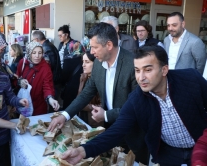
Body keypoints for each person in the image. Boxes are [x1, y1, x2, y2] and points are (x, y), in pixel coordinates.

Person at [61, 45, 207, 165]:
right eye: (137, 70)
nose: (141, 77)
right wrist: (82, 151)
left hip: (202, 147)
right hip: (169, 154)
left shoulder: (191, 80)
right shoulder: (137, 99)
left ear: (164, 69)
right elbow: (116, 131)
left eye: (148, 70)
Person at [48, 22, 149, 164]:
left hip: (134, 136)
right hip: (110, 134)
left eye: (95, 47)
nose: (92, 51)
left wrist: (107, 115)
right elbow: (86, 93)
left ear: (108, 45)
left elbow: (138, 107)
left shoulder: (134, 64)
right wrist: (65, 115)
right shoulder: (98, 64)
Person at [17, 41, 60, 116]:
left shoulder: (45, 67)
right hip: (23, 102)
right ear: (29, 53)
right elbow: (16, 78)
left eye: (40, 53)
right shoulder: (22, 63)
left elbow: (48, 85)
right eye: (34, 53)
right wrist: (20, 82)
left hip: (39, 105)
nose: (37, 56)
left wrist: (50, 99)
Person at [57, 24, 85, 109]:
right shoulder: (61, 44)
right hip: (63, 76)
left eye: (61, 35)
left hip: (72, 77)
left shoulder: (75, 44)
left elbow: (81, 58)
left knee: (70, 100)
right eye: (58, 35)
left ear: (67, 34)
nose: (59, 37)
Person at [77, 50, 103, 128]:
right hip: (82, 117)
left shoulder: (101, 80)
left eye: (87, 62)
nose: (83, 65)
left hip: (94, 120)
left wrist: (83, 105)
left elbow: (103, 105)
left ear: (96, 64)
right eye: (83, 61)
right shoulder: (83, 76)